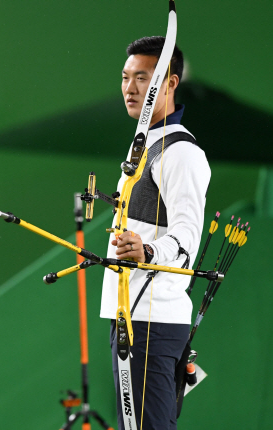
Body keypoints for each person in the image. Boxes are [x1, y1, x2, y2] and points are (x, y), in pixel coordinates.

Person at [99, 37, 210, 429]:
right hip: (130, 316)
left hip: (152, 319)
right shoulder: (146, 145)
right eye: (126, 77)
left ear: (170, 83)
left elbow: (188, 237)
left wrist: (147, 250)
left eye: (142, 78)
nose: (131, 88)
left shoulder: (182, 153)